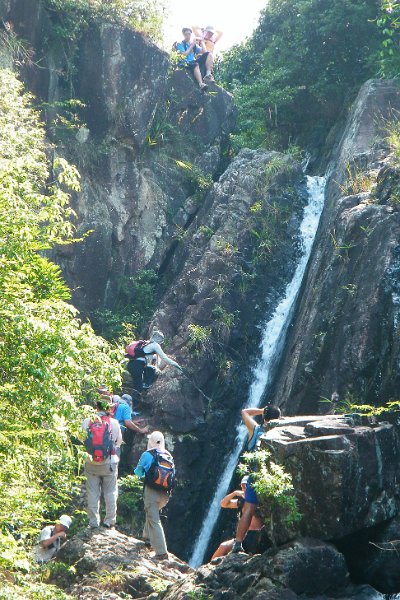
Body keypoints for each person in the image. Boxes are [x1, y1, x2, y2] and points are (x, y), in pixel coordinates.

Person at [231, 405, 281, 553]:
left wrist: (262, 411)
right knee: (275, 511)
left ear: (264, 417)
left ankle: (237, 543)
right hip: (272, 477)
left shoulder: (256, 430)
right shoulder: (280, 432)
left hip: (256, 475)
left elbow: (244, 411)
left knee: (248, 510)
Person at [82, 399, 122, 529]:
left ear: (96, 407)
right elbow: (118, 442)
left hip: (90, 462)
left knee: (93, 493)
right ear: (109, 408)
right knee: (110, 492)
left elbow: (82, 440)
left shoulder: (87, 422)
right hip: (109, 463)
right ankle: (109, 521)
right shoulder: (114, 423)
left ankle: (93, 522)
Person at [134, 431, 173, 561]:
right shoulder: (168, 456)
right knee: (151, 514)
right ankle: (146, 538)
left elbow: (138, 471)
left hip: (151, 491)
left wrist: (148, 476)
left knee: (154, 520)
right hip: (165, 494)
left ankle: (162, 552)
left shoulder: (147, 454)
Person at [211, 476, 264, 559]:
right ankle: (210, 566)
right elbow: (223, 504)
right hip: (244, 537)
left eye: (246, 485)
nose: (245, 488)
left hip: (257, 536)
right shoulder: (241, 502)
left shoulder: (259, 501)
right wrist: (234, 493)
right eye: (243, 486)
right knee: (223, 546)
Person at [126, 330, 182, 395]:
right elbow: (164, 358)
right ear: (159, 339)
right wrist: (176, 364)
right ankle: (136, 400)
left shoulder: (147, 343)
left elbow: (149, 358)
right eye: (161, 341)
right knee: (138, 389)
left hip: (132, 364)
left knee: (151, 369)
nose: (161, 343)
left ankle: (145, 385)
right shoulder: (155, 345)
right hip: (137, 366)